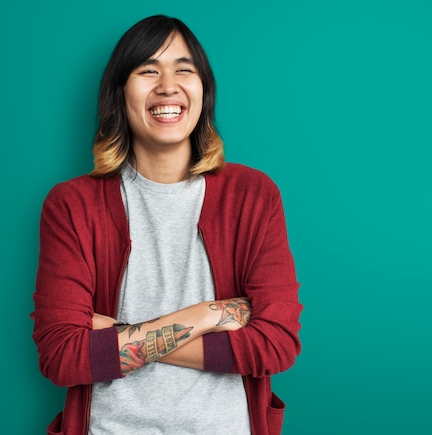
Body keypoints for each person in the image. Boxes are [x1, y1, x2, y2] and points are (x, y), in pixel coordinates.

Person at [31, 14, 302, 435]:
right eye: (148, 70)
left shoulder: (253, 195)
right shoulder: (72, 206)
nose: (168, 85)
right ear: (120, 93)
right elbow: (62, 357)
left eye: (184, 69)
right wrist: (209, 313)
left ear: (203, 91)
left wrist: (116, 333)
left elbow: (276, 345)